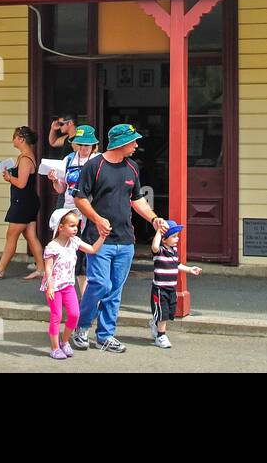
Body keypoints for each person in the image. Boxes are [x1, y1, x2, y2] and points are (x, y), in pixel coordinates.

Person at [71, 123, 168, 353]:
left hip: (125, 240)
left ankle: (105, 336)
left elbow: (136, 199)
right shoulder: (94, 165)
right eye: (133, 141)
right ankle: (81, 328)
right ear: (121, 143)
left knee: (115, 290)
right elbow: (79, 198)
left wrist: (154, 219)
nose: (136, 145)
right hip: (99, 239)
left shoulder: (132, 167)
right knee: (100, 284)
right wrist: (96, 219)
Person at [42, 207, 107, 360]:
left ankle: (65, 341)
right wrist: (50, 286)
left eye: (76, 225)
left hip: (68, 285)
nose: (75, 228)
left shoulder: (75, 242)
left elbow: (92, 250)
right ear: (60, 227)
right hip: (54, 286)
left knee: (74, 314)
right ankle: (55, 347)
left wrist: (102, 237)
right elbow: (48, 268)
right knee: (56, 315)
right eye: (71, 225)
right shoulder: (52, 246)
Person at [0, 126, 45, 280]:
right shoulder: (24, 156)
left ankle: (0, 269)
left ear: (21, 139)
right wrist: (10, 175)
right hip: (28, 201)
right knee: (31, 235)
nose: (13, 140)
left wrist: (10, 178)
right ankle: (42, 269)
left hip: (22, 202)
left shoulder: (25, 158)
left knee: (11, 235)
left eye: (15, 137)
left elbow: (22, 183)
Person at [47, 123, 99, 296]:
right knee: (70, 253)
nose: (84, 148)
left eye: (87, 144)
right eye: (81, 144)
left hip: (91, 212)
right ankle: (73, 294)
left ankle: (89, 298)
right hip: (70, 211)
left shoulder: (98, 161)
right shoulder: (68, 159)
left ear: (94, 145)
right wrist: (55, 180)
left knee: (88, 255)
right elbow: (61, 189)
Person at [149, 220, 201, 349]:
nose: (177, 239)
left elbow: (177, 265)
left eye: (177, 236)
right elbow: (155, 246)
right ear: (164, 239)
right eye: (174, 236)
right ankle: (161, 336)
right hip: (160, 289)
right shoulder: (159, 251)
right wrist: (159, 232)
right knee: (163, 313)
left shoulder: (174, 251)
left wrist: (189, 269)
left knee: (170, 312)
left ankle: (155, 324)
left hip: (171, 288)